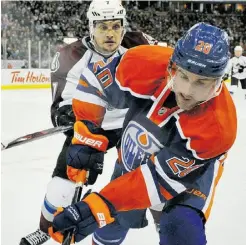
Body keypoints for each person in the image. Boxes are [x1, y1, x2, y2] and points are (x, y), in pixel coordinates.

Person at [48, 23, 237, 245]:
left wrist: (98, 205)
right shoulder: (144, 62)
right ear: (172, 66)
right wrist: (88, 136)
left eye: (201, 83)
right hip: (135, 151)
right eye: (183, 76)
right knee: (112, 224)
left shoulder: (218, 128)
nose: (186, 91)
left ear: (218, 82)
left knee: (181, 229)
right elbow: (94, 81)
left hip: (189, 176)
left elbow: (156, 182)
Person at [19, 1, 157, 245]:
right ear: (91, 27)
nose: (110, 33)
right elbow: (61, 105)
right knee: (62, 187)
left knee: (136, 185)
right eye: (103, 27)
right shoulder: (70, 56)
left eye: (116, 26)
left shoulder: (141, 44)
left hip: (131, 124)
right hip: (92, 125)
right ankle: (46, 228)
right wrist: (69, 118)